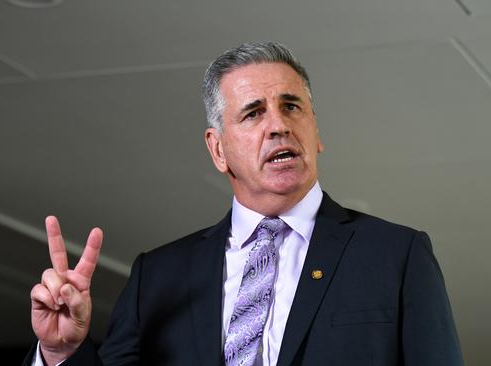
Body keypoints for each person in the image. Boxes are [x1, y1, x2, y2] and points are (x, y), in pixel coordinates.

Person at [25, 42, 464, 366]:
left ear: (316, 132)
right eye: (254, 113)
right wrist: (60, 353)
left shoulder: (396, 256)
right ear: (218, 150)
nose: (278, 126)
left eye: (292, 107)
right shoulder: (157, 278)